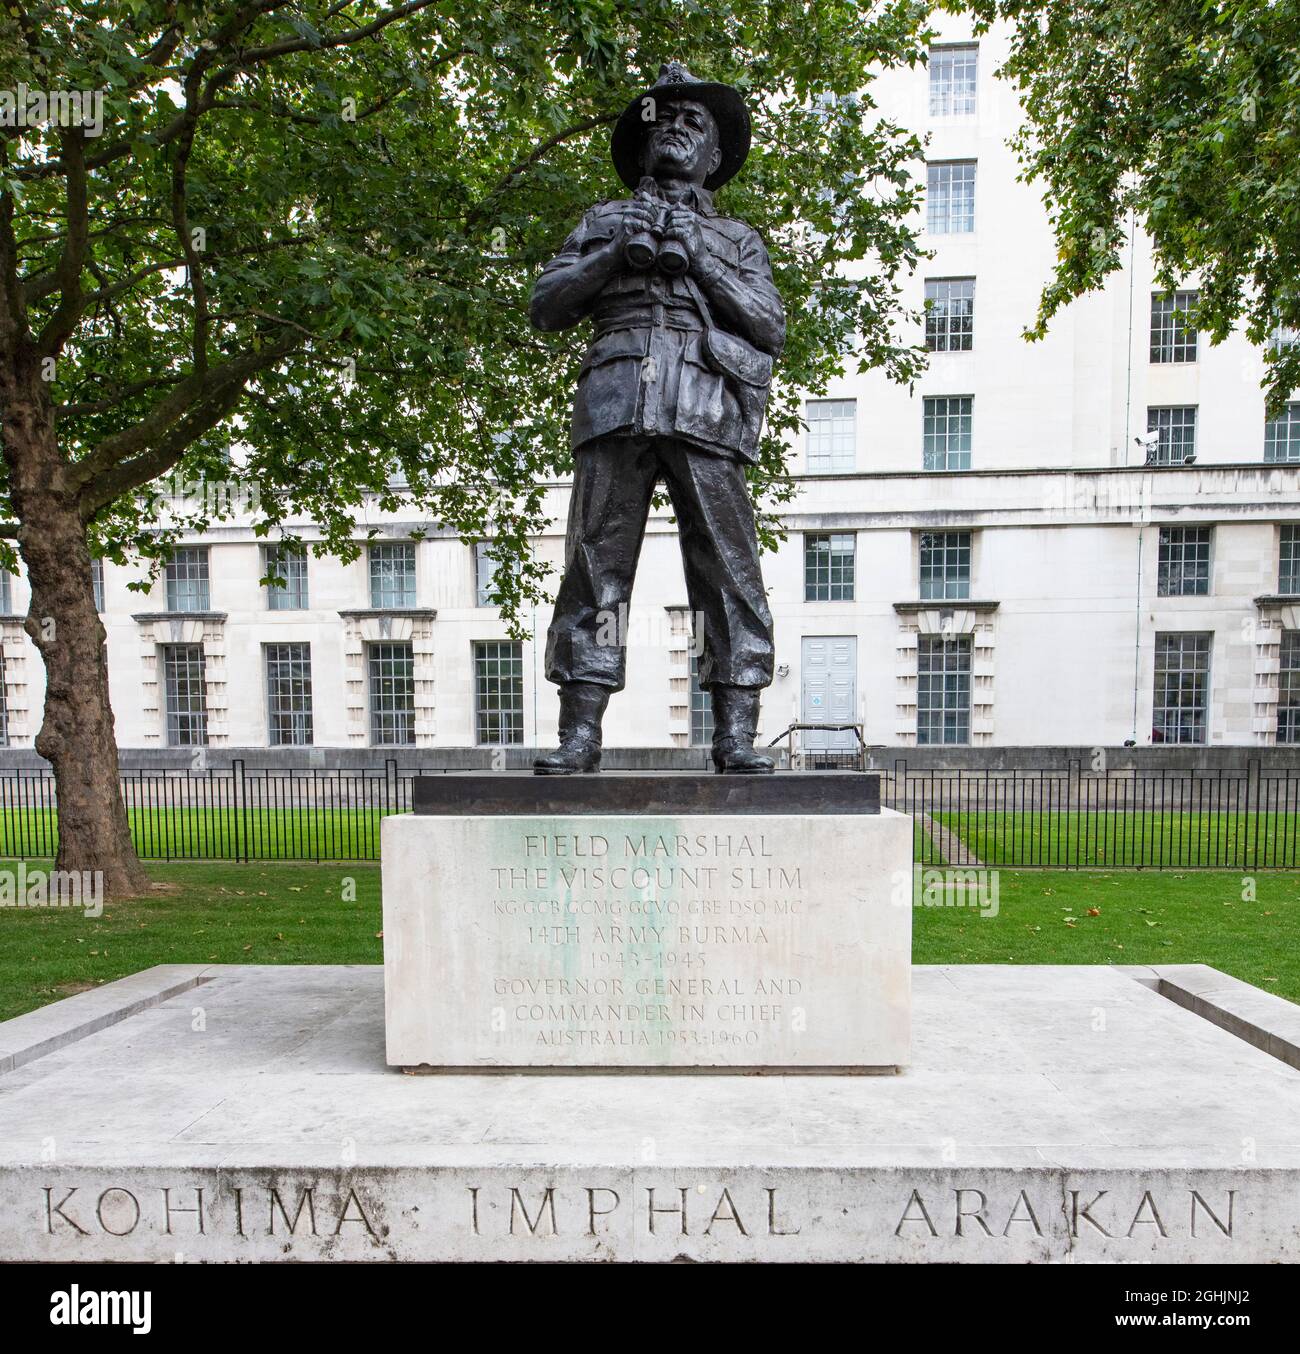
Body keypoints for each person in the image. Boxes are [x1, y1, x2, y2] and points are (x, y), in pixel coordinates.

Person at [531, 61, 784, 774]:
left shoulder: (737, 238)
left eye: (693, 122)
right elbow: (547, 306)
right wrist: (617, 250)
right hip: (617, 402)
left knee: (727, 571)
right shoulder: (604, 220)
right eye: (663, 118)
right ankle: (580, 735)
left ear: (713, 158)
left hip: (709, 406)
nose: (675, 126)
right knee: (596, 571)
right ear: (643, 145)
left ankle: (735, 733)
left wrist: (698, 256)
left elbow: (769, 326)